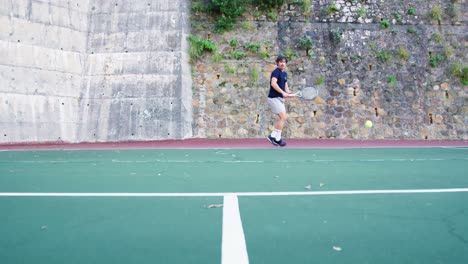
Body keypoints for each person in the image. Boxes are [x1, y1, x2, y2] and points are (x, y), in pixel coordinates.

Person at [267, 55, 292, 147]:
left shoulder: (284, 74)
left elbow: (285, 85)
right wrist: (283, 92)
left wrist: (288, 93)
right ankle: (275, 137)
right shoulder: (275, 72)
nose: (282, 63)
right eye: (281, 62)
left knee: (283, 118)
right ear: (277, 63)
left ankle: (275, 137)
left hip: (280, 99)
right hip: (273, 98)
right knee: (282, 117)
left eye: (284, 62)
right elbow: (273, 84)